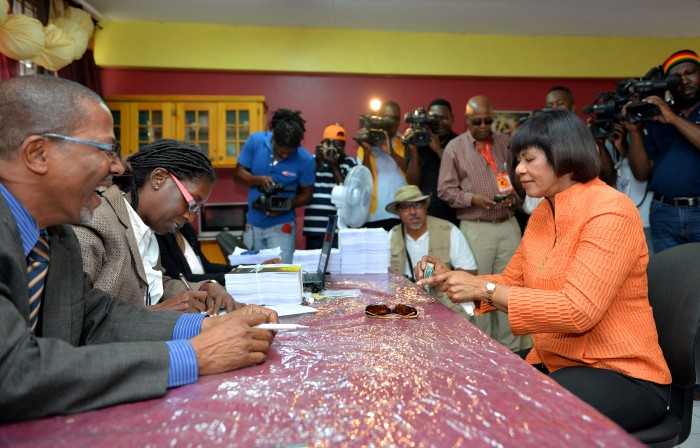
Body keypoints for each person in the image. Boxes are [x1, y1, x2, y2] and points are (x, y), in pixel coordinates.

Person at [0, 75, 278, 423]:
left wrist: (207, 328)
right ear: (37, 154)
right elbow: (12, 370)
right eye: (104, 150)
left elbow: (99, 318)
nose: (118, 167)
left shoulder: (58, 239)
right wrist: (194, 356)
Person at [418, 108, 671, 432]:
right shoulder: (542, 214)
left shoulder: (611, 211)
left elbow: (578, 310)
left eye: (529, 159)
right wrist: (456, 279)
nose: (519, 170)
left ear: (564, 155)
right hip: (560, 360)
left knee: (513, 415)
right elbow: (509, 283)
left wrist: (484, 289)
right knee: (470, 385)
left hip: (623, 374)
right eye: (517, 160)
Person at [73, 140, 236, 313]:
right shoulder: (94, 224)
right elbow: (80, 318)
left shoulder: (146, 229)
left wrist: (204, 287)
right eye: (192, 203)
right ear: (158, 178)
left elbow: (155, 287)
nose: (191, 217)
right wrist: (155, 313)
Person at [437, 95, 526, 351]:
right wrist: (473, 199)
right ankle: (483, 350)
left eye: (489, 120)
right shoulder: (455, 147)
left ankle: (513, 353)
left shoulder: (506, 143)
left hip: (508, 224)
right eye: (478, 121)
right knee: (479, 290)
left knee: (510, 288)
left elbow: (519, 177)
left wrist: (516, 197)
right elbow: (444, 190)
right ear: (467, 120)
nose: (484, 126)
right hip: (477, 228)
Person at [626, 49, 700, 253]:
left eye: (690, 73)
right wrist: (636, 132)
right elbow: (641, 173)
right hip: (664, 211)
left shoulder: (668, 116)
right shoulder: (657, 118)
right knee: (668, 279)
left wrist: (674, 119)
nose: (684, 81)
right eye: (676, 78)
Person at [233, 109, 315, 263]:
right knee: (251, 274)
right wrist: (259, 180)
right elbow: (238, 176)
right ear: (274, 138)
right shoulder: (256, 141)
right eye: (280, 151)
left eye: (289, 153)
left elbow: (307, 194)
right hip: (253, 225)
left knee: (280, 276)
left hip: (281, 227)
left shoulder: (306, 159)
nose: (284, 155)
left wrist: (285, 206)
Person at [386, 185, 477, 318]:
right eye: (405, 207)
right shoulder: (392, 235)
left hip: (444, 304)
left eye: (417, 205)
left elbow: (471, 272)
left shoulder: (448, 230)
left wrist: (444, 277)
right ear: (398, 212)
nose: (412, 212)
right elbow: (384, 276)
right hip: (403, 303)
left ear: (425, 207)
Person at [303, 124, 357, 249]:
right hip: (314, 228)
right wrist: (317, 162)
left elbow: (349, 194)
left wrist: (333, 166)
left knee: (336, 268)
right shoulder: (312, 161)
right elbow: (303, 186)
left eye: (339, 145)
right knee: (313, 268)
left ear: (344, 146)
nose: (334, 149)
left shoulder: (349, 162)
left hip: (337, 229)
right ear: (323, 144)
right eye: (330, 144)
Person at [405, 99, 459, 224]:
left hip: (455, 214)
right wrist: (413, 151)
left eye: (443, 118)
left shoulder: (460, 143)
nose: (439, 123)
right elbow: (413, 183)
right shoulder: (417, 141)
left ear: (452, 118)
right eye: (434, 119)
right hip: (427, 213)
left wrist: (439, 151)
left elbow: (465, 177)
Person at [357, 100, 407, 231]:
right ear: (379, 119)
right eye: (388, 119)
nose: (393, 123)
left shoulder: (405, 142)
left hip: (402, 215)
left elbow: (414, 172)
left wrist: (392, 153)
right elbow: (363, 179)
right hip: (373, 216)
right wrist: (367, 151)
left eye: (396, 119)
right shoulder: (366, 144)